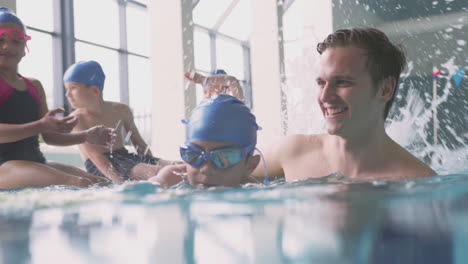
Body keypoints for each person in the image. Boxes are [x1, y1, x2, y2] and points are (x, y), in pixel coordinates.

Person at [189, 27, 436, 181]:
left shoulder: (416, 181)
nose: (325, 96)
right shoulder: (295, 151)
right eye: (321, 82)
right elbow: (213, 171)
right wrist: (228, 107)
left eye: (342, 82)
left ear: (385, 88)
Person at [0, 8, 113, 189]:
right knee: (78, 183)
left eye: (15, 41)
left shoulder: (33, 86)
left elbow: (49, 137)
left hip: (34, 162)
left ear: (24, 47)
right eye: (1, 40)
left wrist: (85, 136)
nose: (7, 47)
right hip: (4, 168)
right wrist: (40, 125)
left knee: (103, 184)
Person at [64, 60, 174, 183]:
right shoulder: (77, 119)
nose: (67, 94)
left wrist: (151, 160)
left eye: (73, 88)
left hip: (126, 157)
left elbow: (139, 143)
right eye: (66, 89)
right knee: (158, 172)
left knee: (177, 167)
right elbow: (95, 156)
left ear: (94, 90)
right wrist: (118, 182)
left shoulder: (121, 110)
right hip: (102, 166)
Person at [149, 94, 263, 187]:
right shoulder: (173, 177)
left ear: (250, 166)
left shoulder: (255, 192)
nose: (206, 169)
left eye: (224, 158)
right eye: (194, 154)